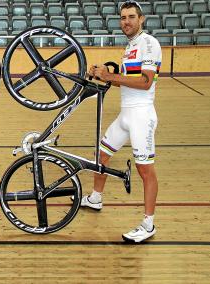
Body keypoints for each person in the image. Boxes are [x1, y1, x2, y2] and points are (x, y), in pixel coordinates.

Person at [82, 0, 162, 243]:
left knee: (144, 170)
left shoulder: (148, 43)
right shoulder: (130, 47)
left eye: (131, 17)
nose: (126, 21)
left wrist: (110, 75)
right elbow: (125, 78)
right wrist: (103, 73)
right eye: (123, 17)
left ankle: (148, 224)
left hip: (141, 115)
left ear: (141, 19)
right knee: (102, 155)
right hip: (126, 114)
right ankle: (96, 198)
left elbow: (146, 81)